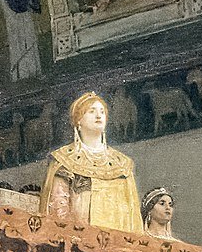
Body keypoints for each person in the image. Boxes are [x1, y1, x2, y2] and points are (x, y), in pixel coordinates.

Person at [38, 92, 142, 231]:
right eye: (91, 111)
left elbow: (133, 215)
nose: (98, 116)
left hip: (118, 239)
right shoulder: (64, 160)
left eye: (102, 112)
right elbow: (58, 210)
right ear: (78, 120)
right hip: (80, 238)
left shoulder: (122, 164)